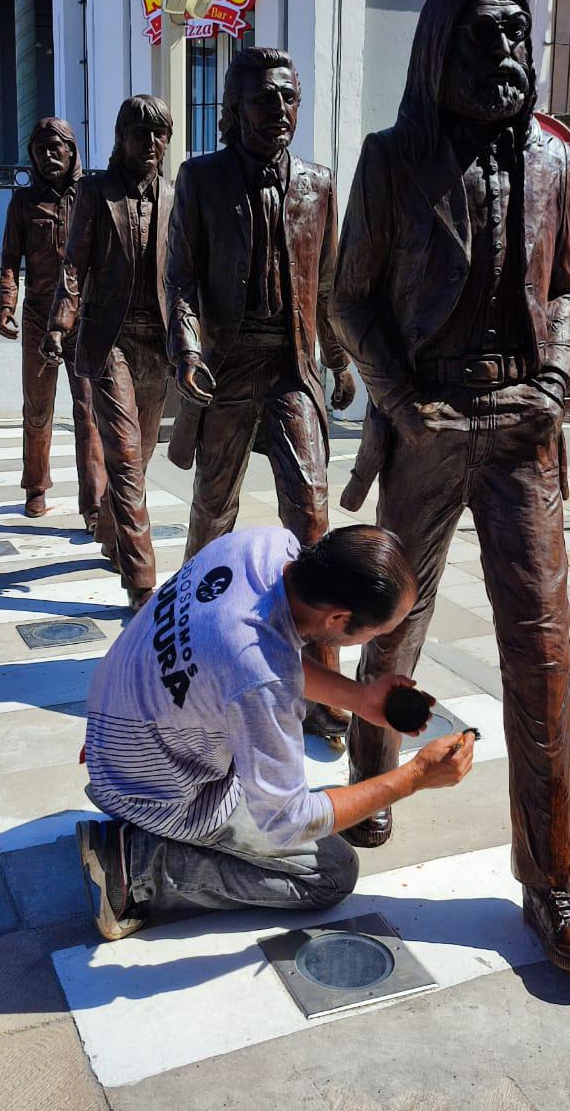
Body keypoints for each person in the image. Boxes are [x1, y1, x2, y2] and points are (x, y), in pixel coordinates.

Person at [330, 0, 570, 975]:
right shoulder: (392, 160)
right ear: (437, 49)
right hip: (428, 419)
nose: (506, 55)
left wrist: (553, 375)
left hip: (522, 429)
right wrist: (401, 404)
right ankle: (370, 763)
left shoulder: (553, 155)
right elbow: (350, 298)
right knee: (391, 624)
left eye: (517, 35)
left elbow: (568, 285)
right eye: (484, 39)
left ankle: (553, 882)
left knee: (542, 653)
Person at [76, 524, 475, 941]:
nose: (379, 639)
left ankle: (134, 814)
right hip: (150, 787)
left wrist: (360, 698)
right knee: (332, 873)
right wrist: (415, 777)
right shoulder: (259, 678)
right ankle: (136, 867)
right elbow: (288, 820)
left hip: (119, 723)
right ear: (339, 618)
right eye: (375, 633)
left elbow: (262, 652)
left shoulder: (262, 545)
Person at [164, 47, 357, 740]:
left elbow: (327, 284)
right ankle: (182, 648)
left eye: (288, 98)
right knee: (213, 511)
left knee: (311, 519)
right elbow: (180, 277)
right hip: (226, 367)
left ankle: (322, 684)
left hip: (290, 370)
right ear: (233, 109)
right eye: (262, 99)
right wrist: (187, 351)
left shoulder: (320, 183)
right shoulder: (201, 179)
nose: (278, 112)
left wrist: (337, 360)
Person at [41, 96, 174, 612]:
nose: (152, 144)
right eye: (142, 133)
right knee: (122, 455)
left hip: (156, 346)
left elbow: (183, 274)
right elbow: (73, 267)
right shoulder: (95, 191)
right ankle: (143, 584)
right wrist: (59, 326)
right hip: (108, 341)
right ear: (121, 137)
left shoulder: (172, 193)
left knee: (140, 455)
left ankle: (114, 535)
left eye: (160, 135)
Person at [0, 117, 105, 528]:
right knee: (38, 408)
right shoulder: (23, 203)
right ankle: (36, 486)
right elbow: (10, 259)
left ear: (72, 151)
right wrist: (8, 304)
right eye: (41, 149)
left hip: (83, 318)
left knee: (89, 409)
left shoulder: (89, 196)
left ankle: (93, 501)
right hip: (40, 316)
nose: (49, 156)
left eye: (56, 148)